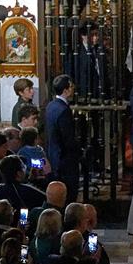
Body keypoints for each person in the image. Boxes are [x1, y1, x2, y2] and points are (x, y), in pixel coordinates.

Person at [45, 74, 81, 202]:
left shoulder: (51, 106)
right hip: (65, 161)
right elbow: (68, 139)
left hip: (54, 157)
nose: (73, 89)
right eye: (71, 87)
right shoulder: (63, 110)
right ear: (65, 90)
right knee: (68, 195)